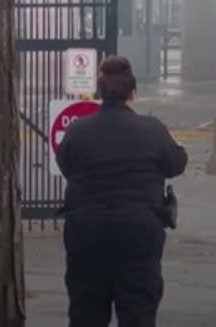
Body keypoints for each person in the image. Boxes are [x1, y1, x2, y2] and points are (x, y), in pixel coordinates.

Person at [56, 55, 188, 327]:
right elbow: (176, 163)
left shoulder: (78, 131)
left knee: (86, 311)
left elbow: (66, 165)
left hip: (86, 231)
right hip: (139, 231)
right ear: (133, 93)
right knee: (138, 311)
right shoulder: (152, 130)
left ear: (99, 93)